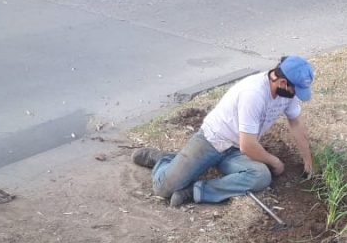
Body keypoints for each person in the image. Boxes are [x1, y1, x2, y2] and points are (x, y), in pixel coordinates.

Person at [132, 56, 315, 208]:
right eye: (295, 89)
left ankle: (196, 191)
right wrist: (275, 162)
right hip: (211, 141)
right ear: (282, 82)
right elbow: (248, 145)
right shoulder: (254, 94)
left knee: (261, 176)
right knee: (163, 188)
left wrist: (308, 161)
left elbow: (296, 123)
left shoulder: (286, 93)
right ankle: (164, 160)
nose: (296, 95)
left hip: (236, 151)